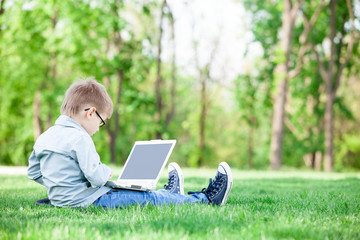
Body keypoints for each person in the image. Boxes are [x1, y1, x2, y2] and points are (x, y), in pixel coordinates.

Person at [27, 77, 233, 208]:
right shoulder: (80, 138)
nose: (99, 128)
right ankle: (206, 200)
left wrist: (61, 184)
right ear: (90, 113)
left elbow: (34, 172)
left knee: (138, 192)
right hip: (89, 200)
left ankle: (170, 195)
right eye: (101, 122)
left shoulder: (45, 136)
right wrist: (105, 171)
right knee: (147, 199)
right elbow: (95, 177)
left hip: (65, 199)